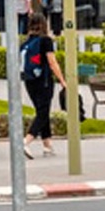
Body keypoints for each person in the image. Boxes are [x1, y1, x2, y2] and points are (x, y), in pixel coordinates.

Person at [20, 14, 68, 159]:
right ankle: (26, 141)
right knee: (42, 112)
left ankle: (47, 145)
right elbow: (52, 62)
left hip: (30, 81)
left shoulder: (26, 43)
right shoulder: (46, 41)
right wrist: (62, 80)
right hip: (44, 81)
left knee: (42, 110)